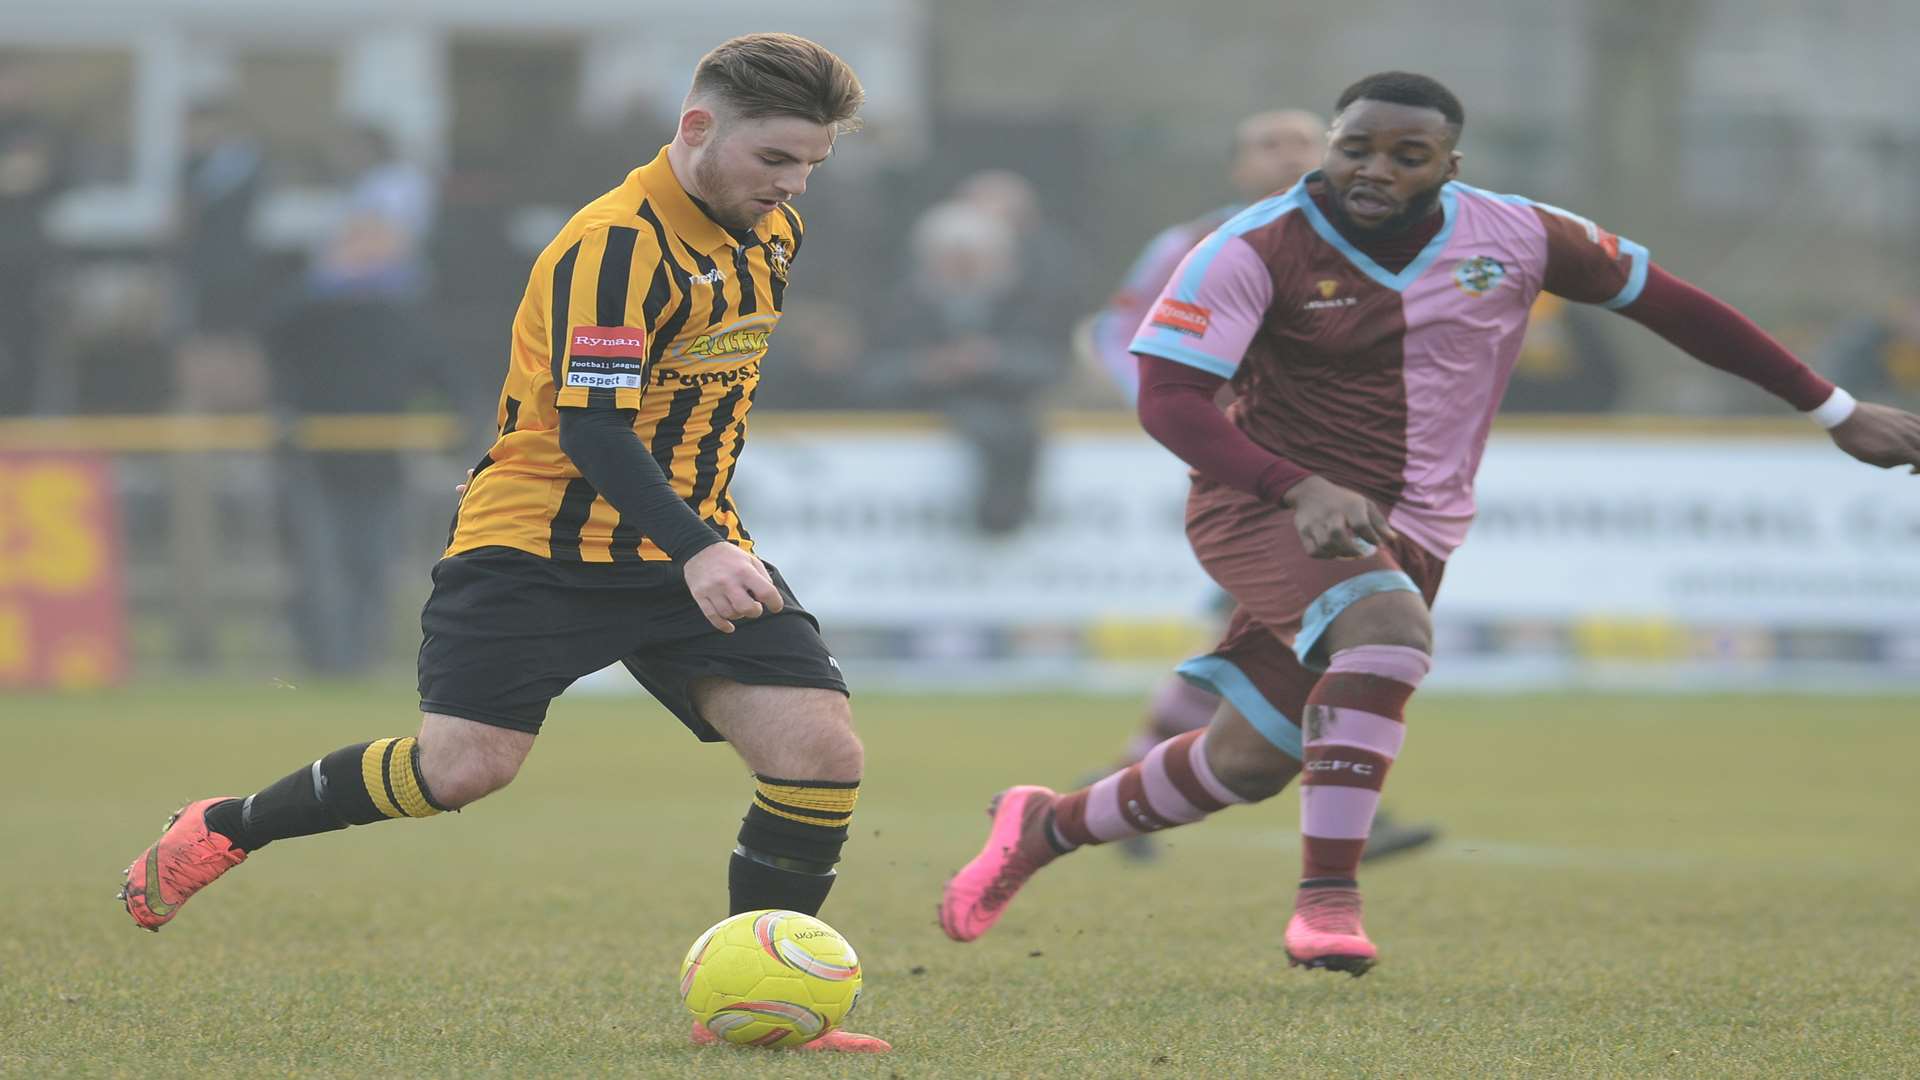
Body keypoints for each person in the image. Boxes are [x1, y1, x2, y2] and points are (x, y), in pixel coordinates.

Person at [941, 72, 1920, 976]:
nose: (1373, 169)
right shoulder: (1247, 246)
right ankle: (1328, 901)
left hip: (1418, 526)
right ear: (1332, 144)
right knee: (1388, 630)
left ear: (1449, 165)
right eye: (1355, 146)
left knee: (1248, 761)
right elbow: (1169, 400)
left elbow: (1677, 309)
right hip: (1265, 504)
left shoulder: (1521, 233)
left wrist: (1832, 409)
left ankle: (1045, 827)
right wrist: (1293, 485)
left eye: (1405, 155)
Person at [119, 34, 891, 1053]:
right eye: (776, 160)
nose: (792, 186)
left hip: (680, 545)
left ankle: (757, 1008)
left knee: (819, 753)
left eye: (810, 167)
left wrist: (701, 541)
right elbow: (595, 428)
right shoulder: (614, 244)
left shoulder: (770, 232)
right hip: (536, 546)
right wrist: (702, 549)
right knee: (465, 769)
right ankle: (225, 825)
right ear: (698, 129)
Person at [1084, 108, 1438, 864]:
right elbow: (1115, 333)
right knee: (1322, 623)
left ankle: (1123, 779)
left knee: (1267, 625)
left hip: (1340, 460)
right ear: (1238, 168)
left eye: (1303, 145)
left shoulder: (1384, 247)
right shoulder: (1191, 245)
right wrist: (1168, 400)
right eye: (1267, 147)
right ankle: (1351, 819)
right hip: (1246, 462)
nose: (1285, 159)